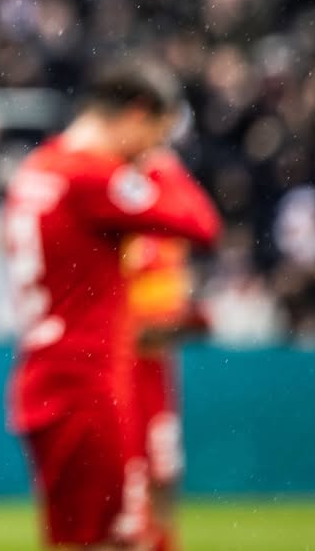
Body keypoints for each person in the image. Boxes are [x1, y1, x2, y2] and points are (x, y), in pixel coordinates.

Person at [5, 57, 219, 551]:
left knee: (83, 537)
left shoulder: (38, 167)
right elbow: (201, 224)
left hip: (47, 371)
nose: (151, 152)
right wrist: (162, 166)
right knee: (112, 539)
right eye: (156, 136)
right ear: (137, 115)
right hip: (87, 379)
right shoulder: (93, 177)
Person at [122, 233, 202, 551]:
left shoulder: (166, 246)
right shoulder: (122, 244)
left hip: (152, 379)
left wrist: (177, 323)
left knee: (162, 474)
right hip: (121, 379)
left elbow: (161, 327)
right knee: (127, 477)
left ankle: (160, 543)